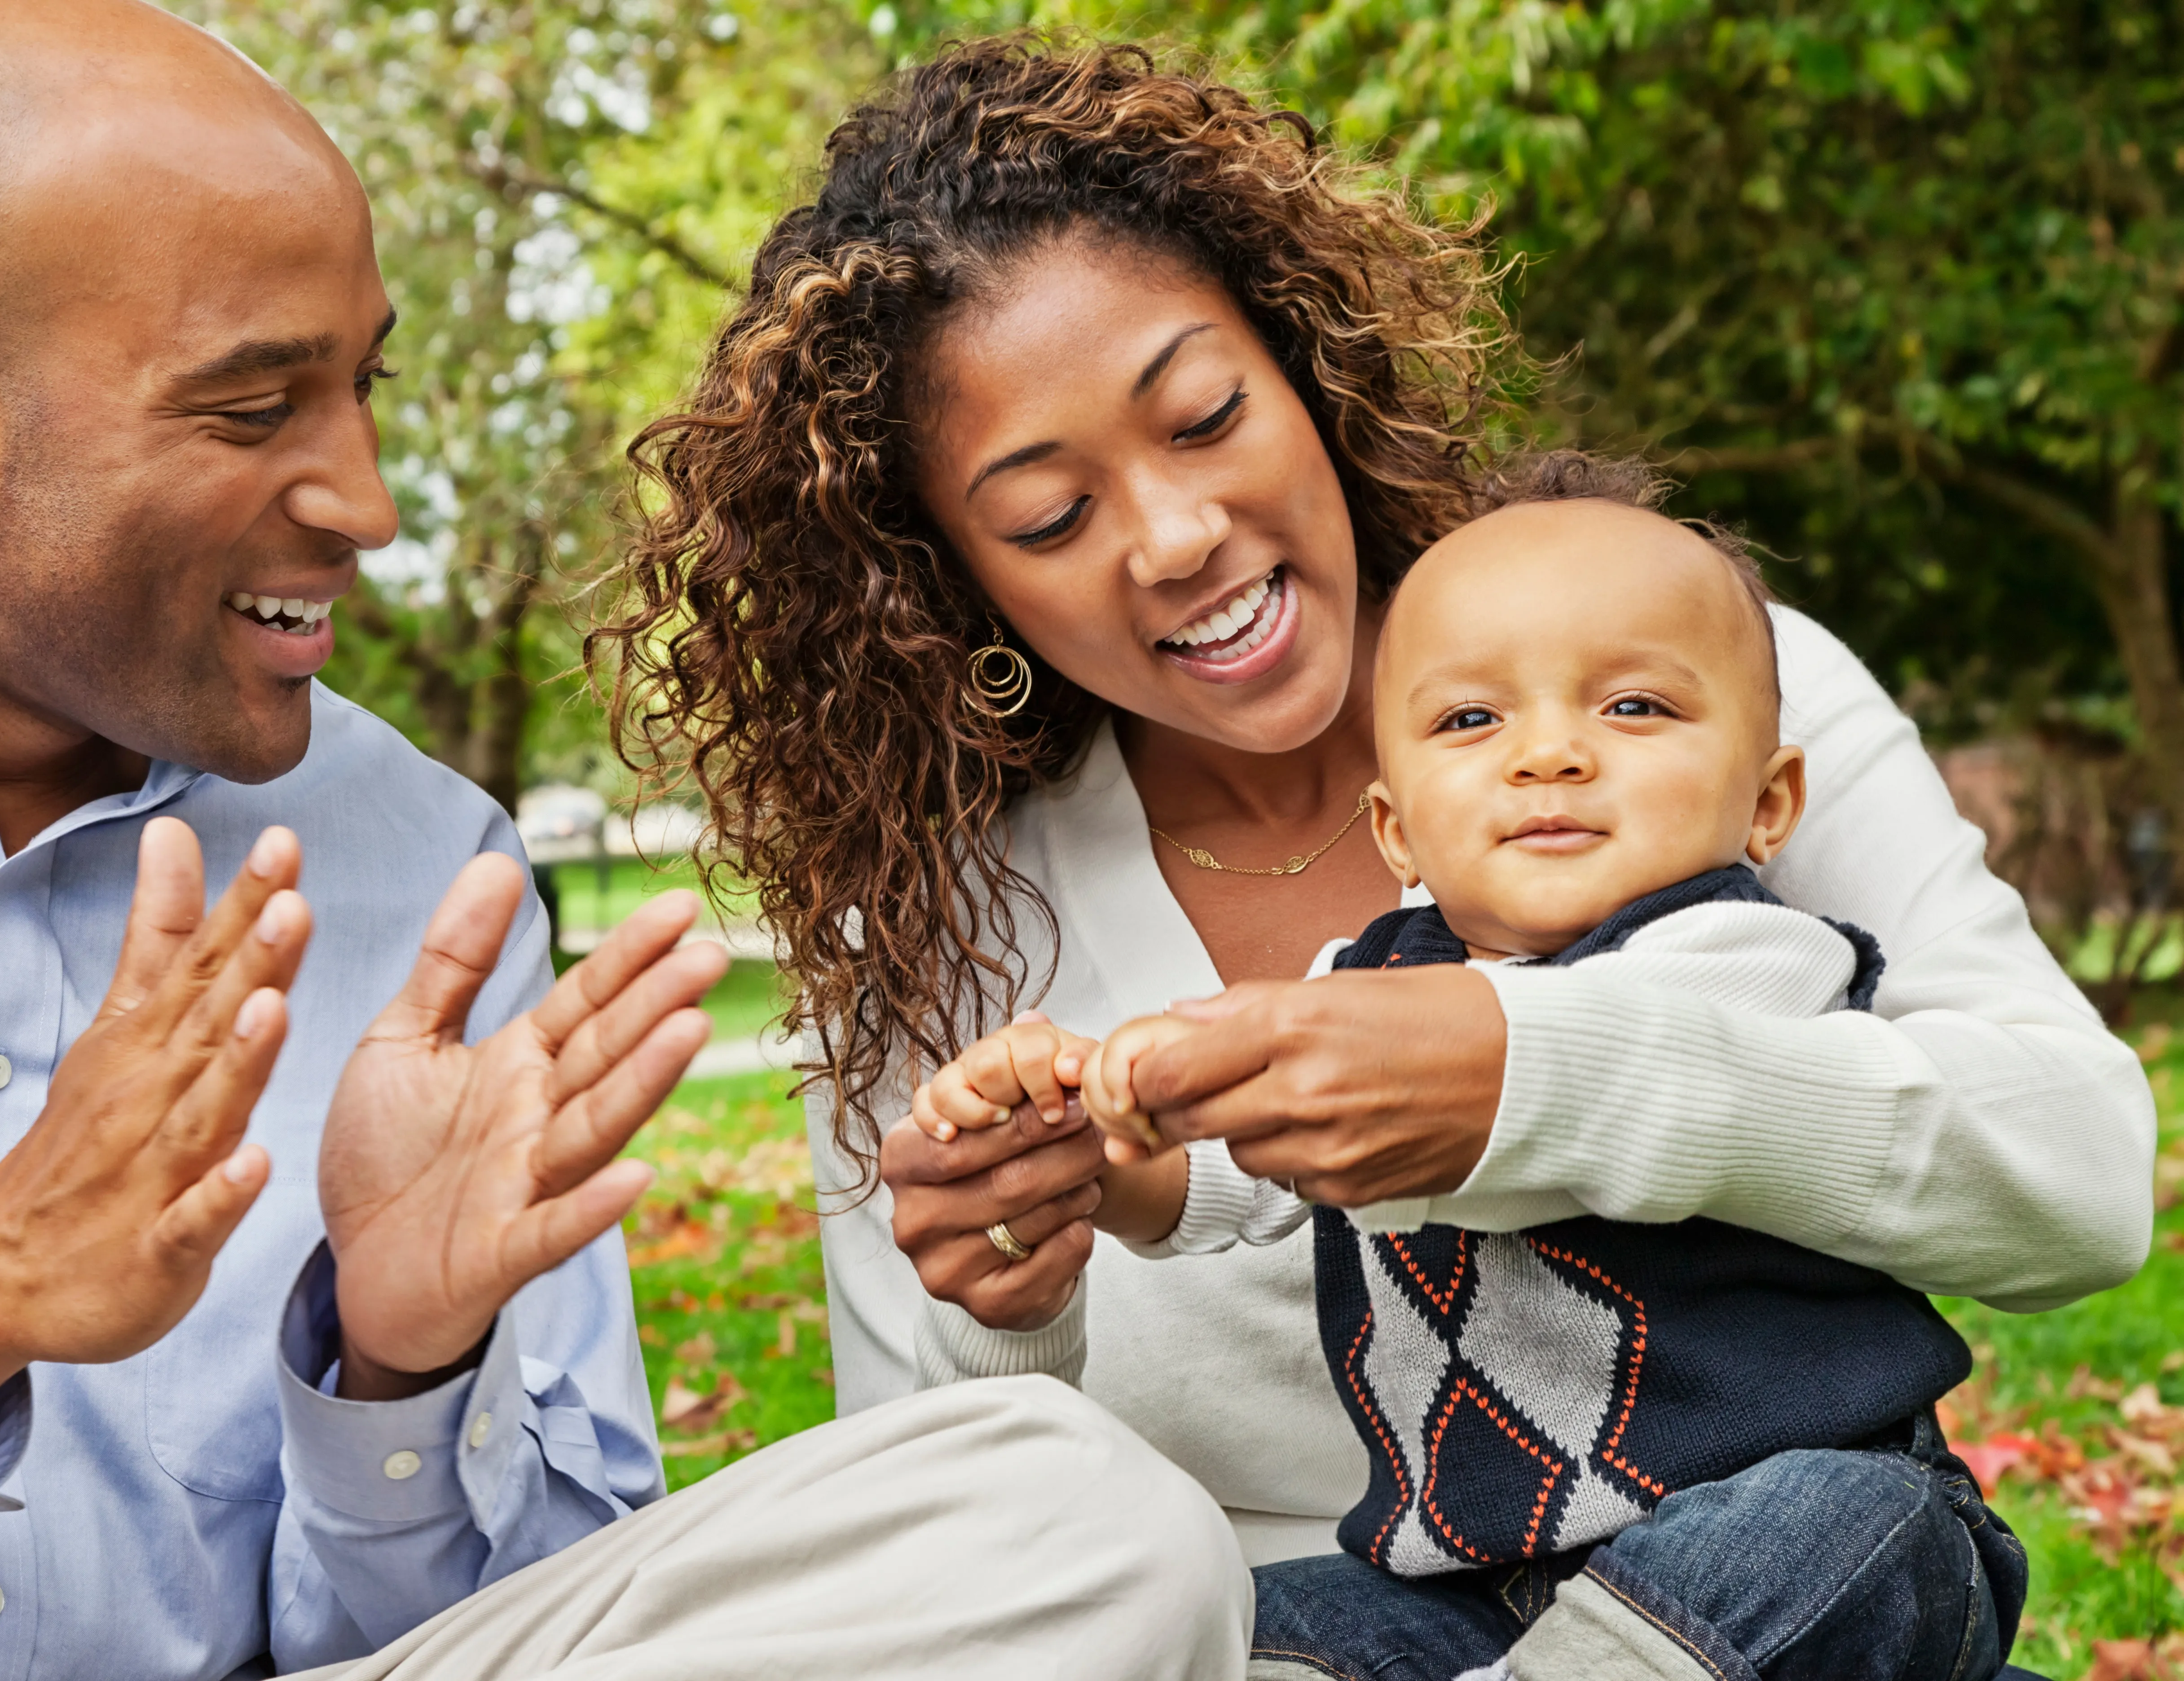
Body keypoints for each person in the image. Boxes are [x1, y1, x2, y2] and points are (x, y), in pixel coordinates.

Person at [0, 4, 1249, 1677]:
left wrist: (395, 1370)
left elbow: (536, 1637)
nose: (366, 498)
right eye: (252, 405)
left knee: (1079, 1521)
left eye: (363, 386)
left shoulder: (423, 863)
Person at [594, 35, 2153, 1675]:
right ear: (950, 584)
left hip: (1750, 1593)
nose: (1177, 535)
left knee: (1849, 1539)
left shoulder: (1688, 699)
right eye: (1050, 518)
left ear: (1305, 373)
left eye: (1204, 417)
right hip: (1310, 1636)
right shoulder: (949, 934)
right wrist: (1012, 1305)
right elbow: (962, 1561)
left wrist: (1529, 1080)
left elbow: (2082, 1187)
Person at [1004, 458, 2023, 1678]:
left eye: (1634, 709)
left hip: (1787, 1529)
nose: (1550, 755)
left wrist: (1396, 1073)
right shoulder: (1364, 981)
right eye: (1473, 721)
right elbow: (1254, 1165)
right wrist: (1121, 1164)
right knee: (1262, 1627)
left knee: (1849, 1528)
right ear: (1398, 828)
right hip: (1491, 1589)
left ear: (1769, 804)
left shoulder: (1741, 955)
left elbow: (1574, 1074)